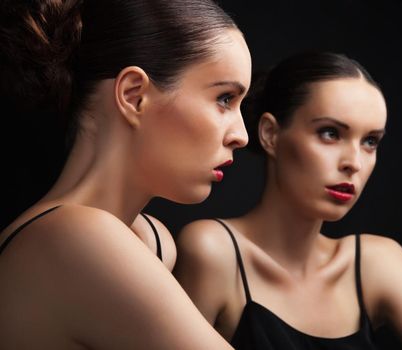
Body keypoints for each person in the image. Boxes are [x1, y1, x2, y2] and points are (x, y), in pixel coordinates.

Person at [0, 0, 251, 348]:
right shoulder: (74, 238)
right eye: (224, 99)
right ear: (134, 95)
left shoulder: (150, 237)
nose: (242, 135)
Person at [174, 52, 402, 349]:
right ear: (270, 134)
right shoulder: (214, 251)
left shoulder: (377, 264)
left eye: (370, 141)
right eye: (330, 133)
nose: (354, 162)